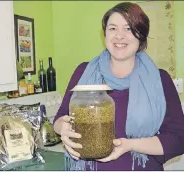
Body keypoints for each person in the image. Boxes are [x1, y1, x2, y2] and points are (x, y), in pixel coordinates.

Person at [53, 2, 184, 171]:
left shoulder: (160, 80)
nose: (119, 36)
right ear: (105, 34)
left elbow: (178, 139)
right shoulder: (84, 72)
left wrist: (129, 145)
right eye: (113, 28)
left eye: (128, 29)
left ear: (141, 35)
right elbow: (61, 117)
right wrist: (62, 128)